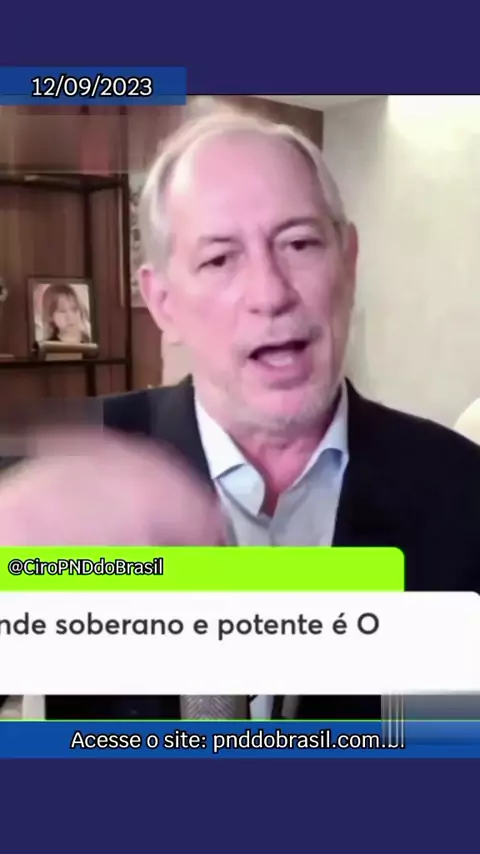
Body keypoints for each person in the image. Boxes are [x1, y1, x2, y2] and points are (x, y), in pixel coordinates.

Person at [1, 98, 480, 722]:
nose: (270, 293)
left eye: (299, 243)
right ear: (163, 301)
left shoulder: (462, 488)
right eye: (220, 258)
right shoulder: (71, 461)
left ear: (349, 261)